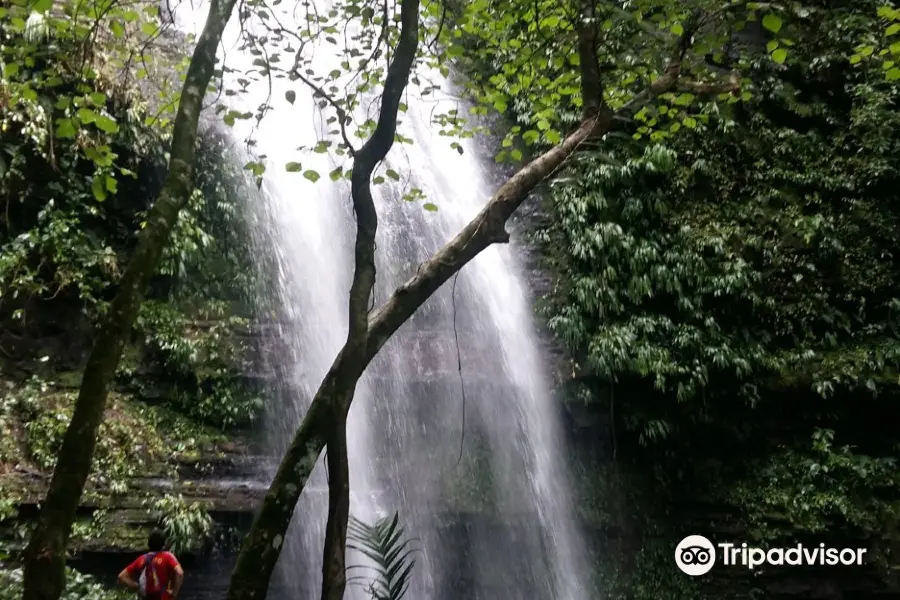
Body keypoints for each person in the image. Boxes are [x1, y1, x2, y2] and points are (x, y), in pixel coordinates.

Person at [118, 530, 184, 600]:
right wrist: (174, 592)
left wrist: (137, 586)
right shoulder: (168, 556)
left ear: (148, 544)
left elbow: (122, 576)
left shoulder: (142, 559)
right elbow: (180, 573)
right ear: (163, 544)